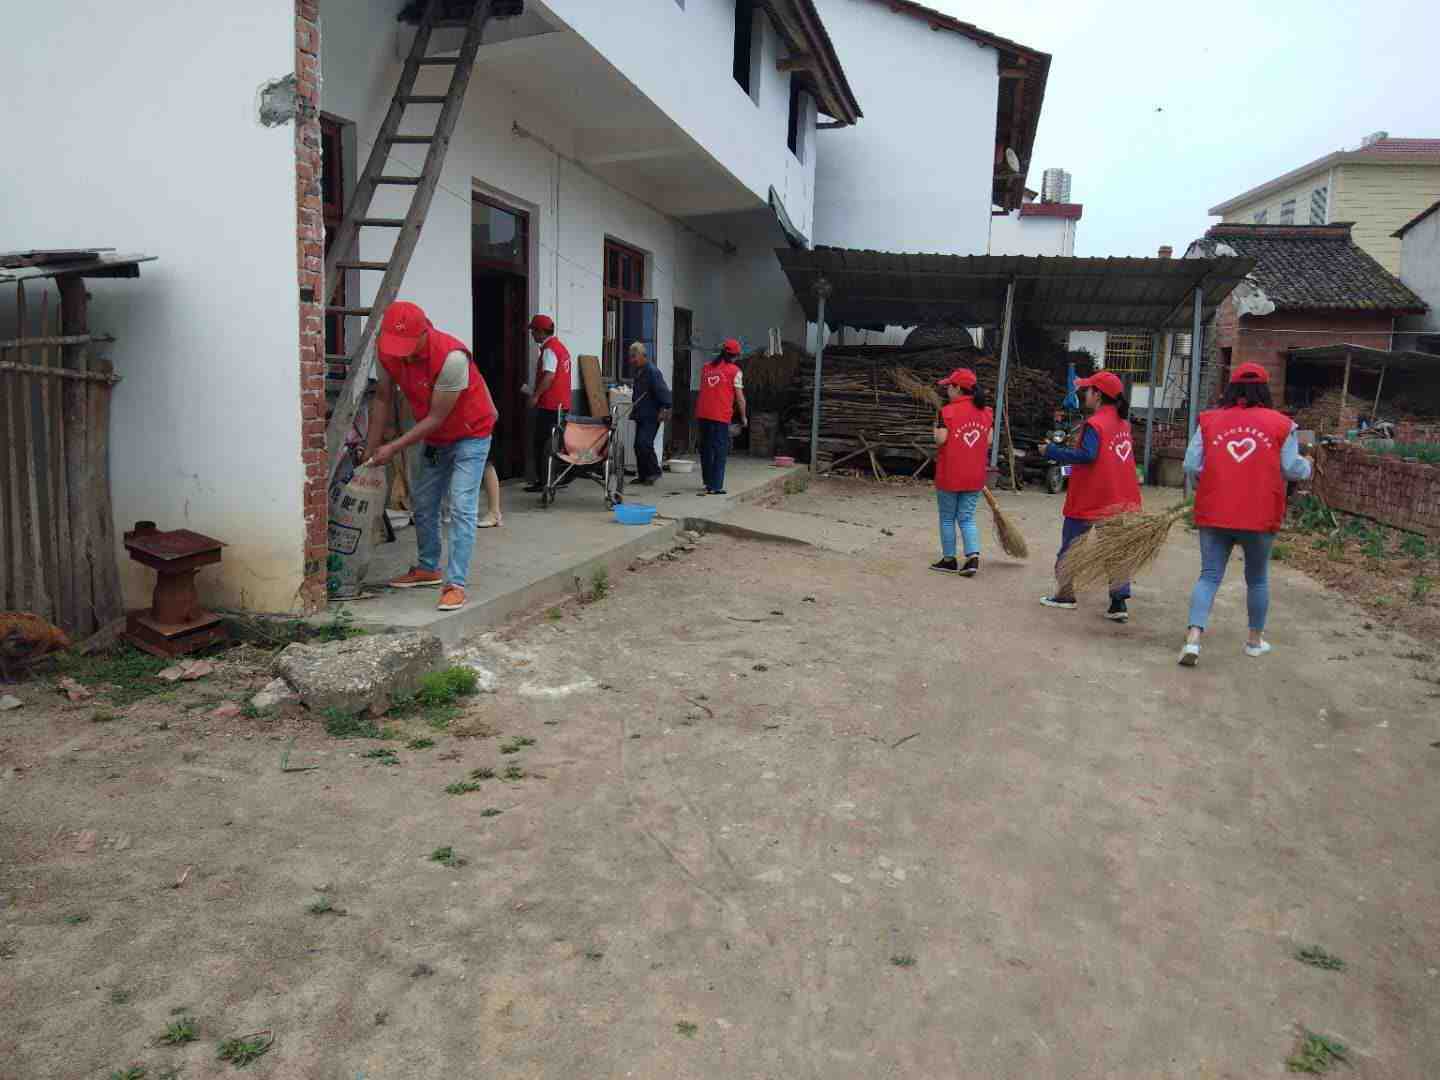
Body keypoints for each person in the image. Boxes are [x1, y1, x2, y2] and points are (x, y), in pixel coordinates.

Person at [363, 300, 498, 613]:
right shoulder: (387, 351)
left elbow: (437, 417)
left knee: (461, 505)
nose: (402, 354)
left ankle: (456, 585)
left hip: (471, 433)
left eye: (407, 345)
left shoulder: (451, 358)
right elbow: (382, 398)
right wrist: (371, 447)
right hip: (437, 437)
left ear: (425, 331)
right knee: (423, 502)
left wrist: (393, 447)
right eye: (395, 345)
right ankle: (427, 568)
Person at [1178, 362, 1312, 666]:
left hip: (1215, 510)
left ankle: (1193, 639)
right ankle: (1254, 642)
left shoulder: (1209, 420)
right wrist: (1308, 466)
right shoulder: (1282, 425)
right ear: (1264, 389)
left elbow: (1190, 464)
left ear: (1231, 388)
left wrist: (1206, 482)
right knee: (1258, 579)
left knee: (1209, 576)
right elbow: (1292, 469)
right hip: (1260, 514)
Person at [1037, 370, 1142, 621]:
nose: (1085, 394)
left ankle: (1065, 595)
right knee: (1115, 549)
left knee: (1072, 546)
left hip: (1090, 496)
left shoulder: (1095, 424)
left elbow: (1088, 455)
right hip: (1118, 498)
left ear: (1098, 395)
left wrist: (1052, 451)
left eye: (1088, 390)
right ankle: (1118, 603)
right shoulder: (1123, 424)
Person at [930, 367, 993, 576]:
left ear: (957, 388)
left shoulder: (947, 411)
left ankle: (949, 560)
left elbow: (941, 439)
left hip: (950, 474)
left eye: (949, 386)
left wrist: (935, 427)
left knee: (947, 518)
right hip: (975, 475)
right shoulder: (986, 412)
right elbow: (989, 440)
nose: (947, 389)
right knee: (966, 517)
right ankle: (972, 558)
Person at [523, 313, 572, 493]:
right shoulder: (561, 347)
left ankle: (543, 482)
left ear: (541, 332)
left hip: (549, 405)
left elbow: (549, 376)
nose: (532, 334)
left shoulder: (550, 350)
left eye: (533, 331)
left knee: (542, 444)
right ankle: (556, 478)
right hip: (562, 405)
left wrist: (535, 396)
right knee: (556, 445)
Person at [695, 338, 747, 495]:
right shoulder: (735, 371)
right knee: (720, 450)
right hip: (720, 416)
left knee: (706, 449)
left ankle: (707, 482)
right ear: (736, 355)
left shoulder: (706, 368)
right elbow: (740, 398)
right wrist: (743, 417)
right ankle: (716, 486)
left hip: (703, 413)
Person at [627, 341, 672, 486]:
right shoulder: (639, 371)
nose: (632, 360)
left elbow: (663, 391)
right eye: (631, 357)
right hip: (641, 413)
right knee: (638, 446)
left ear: (643, 355)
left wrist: (665, 408)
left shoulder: (652, 372)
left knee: (644, 443)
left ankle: (654, 472)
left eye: (634, 356)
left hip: (652, 414)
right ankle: (643, 475)